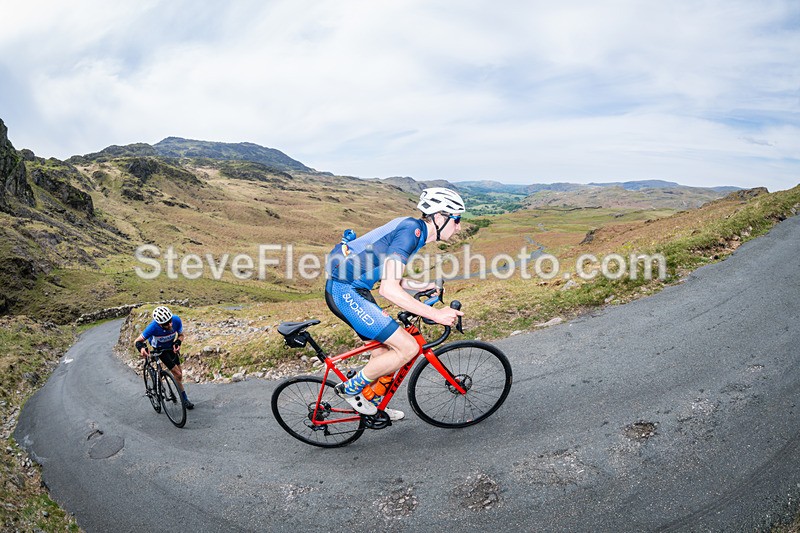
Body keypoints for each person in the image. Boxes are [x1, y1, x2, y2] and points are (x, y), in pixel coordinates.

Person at [325, 187, 465, 420]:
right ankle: (350, 390)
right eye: (457, 219)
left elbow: (387, 273)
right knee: (408, 348)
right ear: (440, 217)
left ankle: (371, 405)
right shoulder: (411, 232)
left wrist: (420, 286)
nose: (459, 226)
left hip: (355, 288)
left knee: (383, 353)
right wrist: (436, 314)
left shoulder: (414, 230)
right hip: (345, 293)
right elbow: (388, 289)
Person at [134, 306, 194, 409]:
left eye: (170, 321)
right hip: (159, 350)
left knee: (179, 376)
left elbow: (181, 335)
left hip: (171, 347)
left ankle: (158, 377)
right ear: (159, 324)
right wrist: (142, 348)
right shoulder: (153, 327)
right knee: (177, 373)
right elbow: (137, 341)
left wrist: (178, 341)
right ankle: (184, 399)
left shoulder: (176, 320)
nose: (170, 324)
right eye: (166, 323)